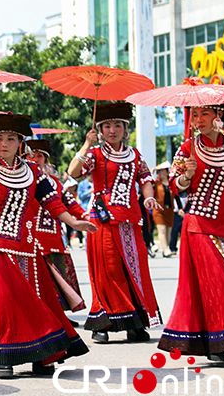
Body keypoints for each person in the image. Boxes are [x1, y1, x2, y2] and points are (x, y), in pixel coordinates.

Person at [0, 114, 93, 379]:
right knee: (8, 295)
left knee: (37, 294)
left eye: (10, 139)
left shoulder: (33, 170)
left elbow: (52, 203)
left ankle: (42, 355)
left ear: (20, 142)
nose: (4, 144)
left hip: (27, 243)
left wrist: (74, 222)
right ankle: (6, 354)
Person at [158, 105, 224, 364]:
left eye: (204, 114)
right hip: (199, 225)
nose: (198, 120)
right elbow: (175, 188)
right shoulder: (187, 149)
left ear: (218, 116)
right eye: (195, 115)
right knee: (218, 283)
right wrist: (187, 175)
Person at [68, 102, 162, 345]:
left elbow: (145, 179)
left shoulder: (135, 155)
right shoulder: (95, 154)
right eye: (107, 125)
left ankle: (134, 323)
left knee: (134, 270)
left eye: (117, 125)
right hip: (103, 222)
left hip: (130, 222)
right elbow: (73, 172)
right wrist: (86, 144)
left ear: (125, 128)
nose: (112, 130)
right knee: (107, 271)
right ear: (100, 129)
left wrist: (149, 196)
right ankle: (104, 323)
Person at [26, 139, 87, 319]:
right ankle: (42, 315)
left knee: (58, 279)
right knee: (37, 278)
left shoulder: (54, 182)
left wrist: (84, 215)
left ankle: (59, 315)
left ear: (45, 159)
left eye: (39, 156)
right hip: (32, 237)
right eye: (31, 155)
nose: (35, 159)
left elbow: (69, 203)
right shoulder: (22, 179)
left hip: (53, 235)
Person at [151, 162, 175, 258]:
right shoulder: (156, 183)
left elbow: (176, 196)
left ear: (166, 171)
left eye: (162, 171)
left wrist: (181, 208)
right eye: (159, 171)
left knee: (169, 231)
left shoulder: (171, 183)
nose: (160, 173)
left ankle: (166, 248)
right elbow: (147, 182)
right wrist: (152, 171)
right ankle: (166, 250)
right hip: (158, 210)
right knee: (162, 230)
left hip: (169, 210)